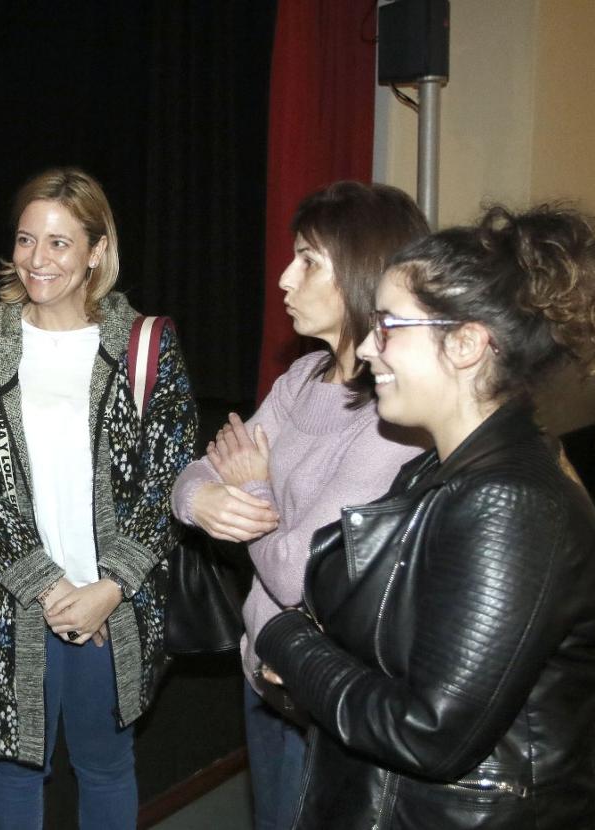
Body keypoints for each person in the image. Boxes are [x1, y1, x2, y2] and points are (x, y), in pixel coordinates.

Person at [256, 204, 595, 828]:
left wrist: (285, 641)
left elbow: (429, 731)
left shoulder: (511, 503)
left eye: (390, 326)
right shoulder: (438, 470)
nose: (368, 347)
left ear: (467, 343)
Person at [0, 167, 198, 829]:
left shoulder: (146, 345)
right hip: (10, 600)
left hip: (114, 601)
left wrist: (110, 586)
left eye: (59, 243)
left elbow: (166, 479)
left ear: (96, 250)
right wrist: (48, 587)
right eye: (27, 240)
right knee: (15, 769)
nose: (37, 259)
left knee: (107, 764)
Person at [171, 180, 428, 830]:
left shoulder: (394, 415)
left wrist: (253, 487)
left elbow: (299, 571)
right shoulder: (302, 378)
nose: (285, 278)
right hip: (266, 672)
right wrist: (204, 500)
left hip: (332, 699)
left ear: (364, 274)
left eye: (308, 260)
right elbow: (192, 474)